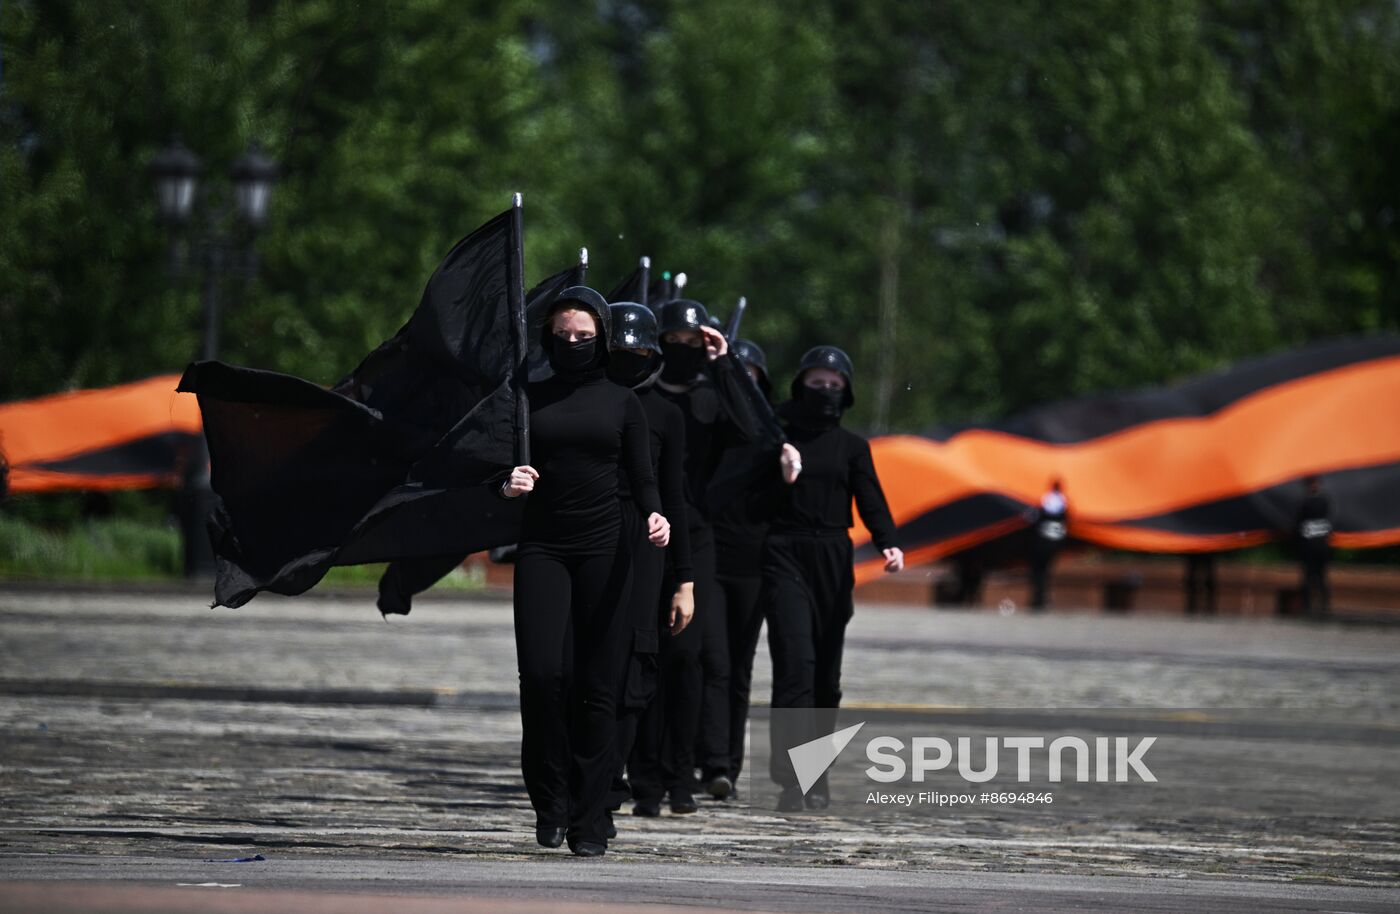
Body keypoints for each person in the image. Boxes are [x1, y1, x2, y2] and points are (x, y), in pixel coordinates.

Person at [499, 286, 670, 857]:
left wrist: (654, 514)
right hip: (544, 548)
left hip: (607, 549)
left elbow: (644, 476)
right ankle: (550, 802)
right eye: (562, 336)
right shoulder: (528, 398)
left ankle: (590, 817)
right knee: (545, 677)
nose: (572, 344)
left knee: (601, 686)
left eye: (583, 337)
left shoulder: (624, 402)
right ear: (548, 338)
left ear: (602, 338)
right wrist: (507, 482)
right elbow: (491, 466)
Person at [631, 298, 763, 814]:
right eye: (674, 343)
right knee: (644, 655)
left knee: (688, 657)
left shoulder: (713, 397)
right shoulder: (640, 398)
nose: (683, 352)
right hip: (643, 531)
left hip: (698, 534)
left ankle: (680, 774)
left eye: (693, 344)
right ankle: (643, 776)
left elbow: (753, 430)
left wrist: (724, 362)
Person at [763, 346, 903, 812]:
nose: (824, 392)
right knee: (794, 666)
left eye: (834, 385)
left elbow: (872, 498)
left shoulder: (853, 448)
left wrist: (889, 542)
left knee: (825, 674)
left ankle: (816, 775)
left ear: (846, 393)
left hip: (832, 555)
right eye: (816, 383)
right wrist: (777, 470)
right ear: (800, 386)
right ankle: (789, 779)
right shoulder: (776, 437)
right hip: (784, 551)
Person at [602, 302, 695, 831]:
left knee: (638, 668)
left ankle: (621, 776)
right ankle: (594, 775)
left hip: (645, 547)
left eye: (639, 353)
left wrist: (683, 578)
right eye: (620, 352)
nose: (629, 361)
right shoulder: (575, 400)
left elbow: (673, 498)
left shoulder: (665, 415)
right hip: (585, 540)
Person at [709, 339, 773, 795]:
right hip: (706, 555)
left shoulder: (773, 433)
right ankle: (705, 758)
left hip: (754, 562)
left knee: (739, 665)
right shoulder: (705, 422)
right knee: (707, 661)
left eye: (746, 376)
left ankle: (727, 764)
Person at [1027, 478, 1068, 610]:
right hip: (1055, 541)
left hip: (1042, 541)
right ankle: (1041, 598)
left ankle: (1039, 598)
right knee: (1044, 571)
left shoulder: (1047, 501)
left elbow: (1035, 518)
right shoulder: (1062, 503)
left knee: (1039, 571)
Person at [1295, 475, 1332, 618]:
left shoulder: (1320, 501)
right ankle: (1308, 606)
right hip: (1311, 545)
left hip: (1318, 545)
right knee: (1308, 577)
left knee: (1320, 577)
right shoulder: (1307, 502)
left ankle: (1323, 606)